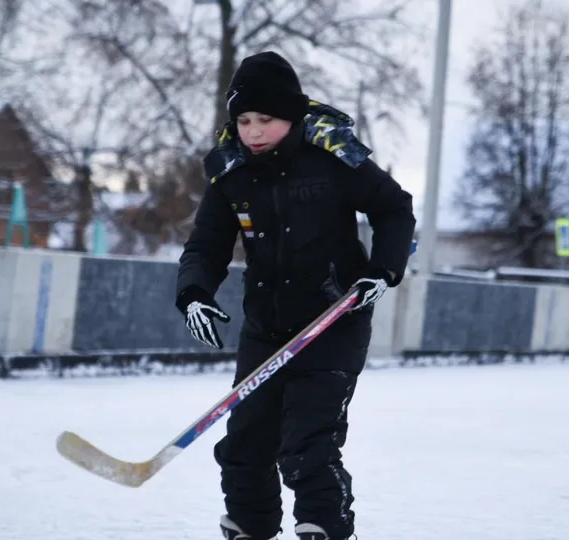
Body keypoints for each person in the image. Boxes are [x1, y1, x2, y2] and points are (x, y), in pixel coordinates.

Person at [174, 51, 416, 540]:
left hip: (333, 322)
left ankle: (322, 529)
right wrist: (195, 292)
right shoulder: (231, 173)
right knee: (244, 444)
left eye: (266, 119)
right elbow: (205, 245)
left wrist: (381, 272)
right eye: (243, 120)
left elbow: (395, 209)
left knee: (308, 443)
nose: (254, 130)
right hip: (266, 327)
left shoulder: (333, 157)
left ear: (291, 116)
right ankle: (249, 528)